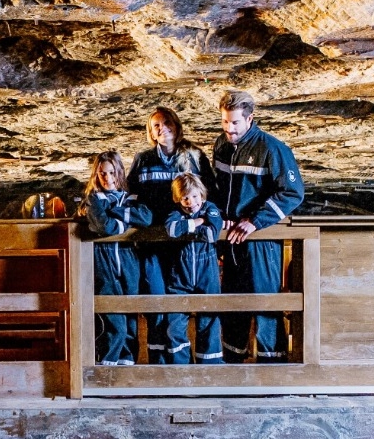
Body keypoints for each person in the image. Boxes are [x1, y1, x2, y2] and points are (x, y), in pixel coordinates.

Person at [211, 90, 304, 363]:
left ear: (250, 118)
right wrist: (220, 216)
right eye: (225, 122)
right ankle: (233, 360)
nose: (229, 129)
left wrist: (255, 221)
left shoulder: (272, 149)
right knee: (234, 301)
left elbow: (292, 192)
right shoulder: (222, 145)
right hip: (232, 239)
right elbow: (218, 188)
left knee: (266, 301)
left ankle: (271, 365)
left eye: (235, 123)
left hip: (261, 239)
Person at [128, 108, 213, 364]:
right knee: (157, 303)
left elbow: (210, 196)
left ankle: (194, 364)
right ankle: (160, 363)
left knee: (184, 307)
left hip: (185, 247)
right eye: (155, 125)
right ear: (150, 132)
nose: (161, 128)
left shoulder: (195, 157)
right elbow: (130, 196)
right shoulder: (143, 159)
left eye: (166, 123)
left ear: (176, 125)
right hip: (153, 245)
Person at [83, 151, 151, 365]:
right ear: (96, 175)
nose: (108, 178)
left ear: (120, 172)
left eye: (112, 172)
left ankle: (128, 359)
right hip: (105, 260)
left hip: (128, 259)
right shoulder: (94, 198)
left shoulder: (131, 197)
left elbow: (146, 217)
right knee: (111, 313)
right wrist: (125, 223)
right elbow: (105, 226)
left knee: (130, 309)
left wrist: (115, 213)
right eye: (102, 173)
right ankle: (107, 360)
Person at [163, 172, 224, 364]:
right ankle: (181, 369)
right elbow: (172, 230)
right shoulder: (175, 214)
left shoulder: (211, 209)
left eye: (195, 196)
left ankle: (209, 367)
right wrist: (199, 221)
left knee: (209, 320)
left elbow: (212, 234)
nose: (191, 202)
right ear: (178, 199)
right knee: (175, 324)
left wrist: (188, 226)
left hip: (207, 273)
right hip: (180, 274)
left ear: (202, 194)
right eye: (186, 198)